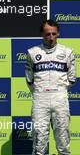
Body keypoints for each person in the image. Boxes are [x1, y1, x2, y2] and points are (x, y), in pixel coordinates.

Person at [25, 19, 76, 155]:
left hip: (60, 97)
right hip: (40, 99)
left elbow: (72, 78)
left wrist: (59, 90)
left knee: (63, 138)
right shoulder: (32, 52)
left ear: (58, 33)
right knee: (39, 138)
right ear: (42, 34)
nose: (51, 38)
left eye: (54, 34)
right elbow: (29, 79)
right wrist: (40, 91)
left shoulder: (67, 52)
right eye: (48, 34)